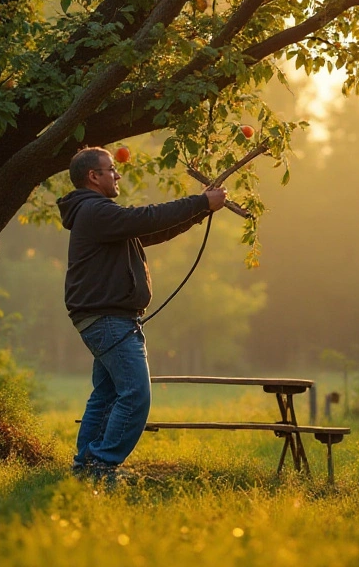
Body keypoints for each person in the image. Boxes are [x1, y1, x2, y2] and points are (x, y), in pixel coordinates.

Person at [56, 146, 227, 478]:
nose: (118, 174)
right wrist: (200, 202)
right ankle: (102, 467)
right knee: (135, 395)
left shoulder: (97, 215)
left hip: (107, 318)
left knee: (106, 395)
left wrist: (201, 210)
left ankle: (85, 467)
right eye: (111, 170)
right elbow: (146, 217)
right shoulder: (95, 211)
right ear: (93, 176)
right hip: (108, 319)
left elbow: (152, 230)